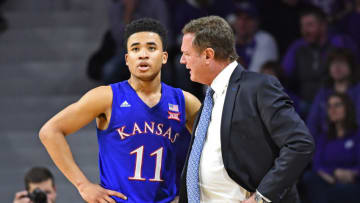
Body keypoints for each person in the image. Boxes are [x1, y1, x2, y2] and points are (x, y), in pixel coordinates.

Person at [39, 18, 201, 203]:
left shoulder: (185, 101)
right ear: (127, 59)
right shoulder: (106, 97)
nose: (143, 55)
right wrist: (83, 185)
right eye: (135, 49)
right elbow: (50, 132)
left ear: (164, 57)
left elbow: (213, 149)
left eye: (151, 48)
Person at [179, 16, 314, 203]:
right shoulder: (210, 100)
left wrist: (262, 197)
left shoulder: (258, 87)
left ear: (208, 55)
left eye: (187, 53)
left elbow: (300, 143)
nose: (182, 61)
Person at [282, 6, 359, 118]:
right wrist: (296, 102)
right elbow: (282, 78)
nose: (304, 31)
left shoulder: (339, 43)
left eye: (310, 25)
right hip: (303, 107)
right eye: (302, 26)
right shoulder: (297, 48)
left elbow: (354, 72)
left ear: (323, 25)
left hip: (336, 104)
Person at [302, 93, 360, 203]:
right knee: (309, 178)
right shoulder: (324, 136)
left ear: (347, 108)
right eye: (329, 106)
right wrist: (333, 172)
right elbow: (317, 164)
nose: (332, 109)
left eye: (337, 105)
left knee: (336, 192)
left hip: (352, 181)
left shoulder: (357, 135)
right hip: (328, 180)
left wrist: (352, 173)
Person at [306, 48, 360, 141]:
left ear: (351, 67)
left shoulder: (358, 91)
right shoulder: (323, 93)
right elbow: (312, 124)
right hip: (326, 142)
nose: (337, 67)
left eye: (342, 63)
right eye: (333, 63)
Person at [229, 1, 279, 72]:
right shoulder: (228, 41)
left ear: (257, 21)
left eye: (248, 18)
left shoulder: (266, 40)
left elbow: (259, 77)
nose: (242, 23)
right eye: (239, 17)